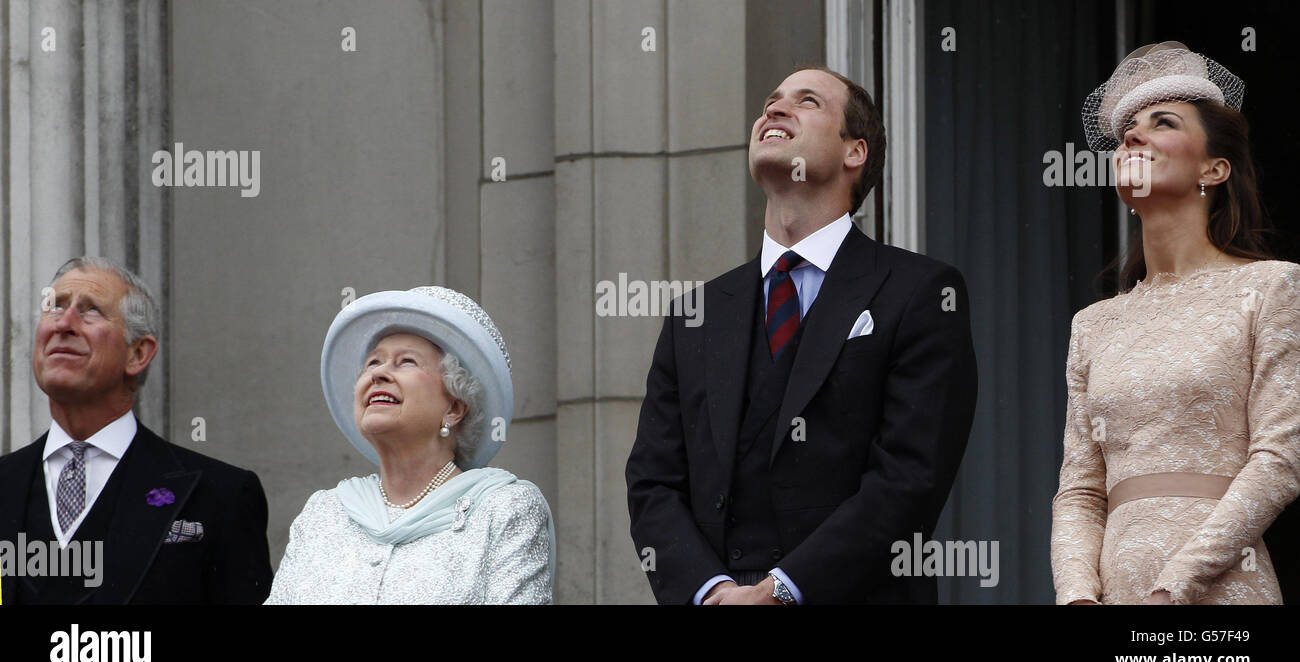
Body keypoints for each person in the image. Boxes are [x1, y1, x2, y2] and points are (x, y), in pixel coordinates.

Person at [625, 66, 978, 604]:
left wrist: (783, 591)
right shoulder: (693, 314)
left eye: (806, 101)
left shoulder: (921, 291)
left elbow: (910, 477)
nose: (774, 109)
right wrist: (710, 591)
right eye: (771, 101)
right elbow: (653, 482)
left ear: (854, 152)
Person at [1051, 42, 1300, 605]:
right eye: (1126, 131)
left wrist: (1176, 584)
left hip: (1221, 589)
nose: (1132, 137)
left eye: (1161, 123)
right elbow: (1081, 491)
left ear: (1214, 168)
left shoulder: (1273, 287)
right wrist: (1076, 597)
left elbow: (1281, 460)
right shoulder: (1095, 324)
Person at [0, 257, 273, 604]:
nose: (63, 324)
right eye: (54, 307)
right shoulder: (5, 482)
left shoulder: (221, 496)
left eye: (91, 311)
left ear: (138, 354)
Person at [265, 286, 554, 604]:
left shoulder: (502, 510)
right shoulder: (323, 513)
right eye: (373, 363)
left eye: (405, 362)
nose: (379, 374)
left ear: (455, 408)